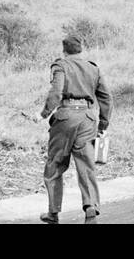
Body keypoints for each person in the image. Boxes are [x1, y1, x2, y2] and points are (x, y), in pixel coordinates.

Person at [39, 35, 112, 224]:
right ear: (81, 49)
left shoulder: (61, 65)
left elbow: (56, 92)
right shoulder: (93, 68)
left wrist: (44, 113)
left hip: (65, 117)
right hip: (88, 119)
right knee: (86, 166)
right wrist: (103, 124)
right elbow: (106, 98)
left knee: (54, 165)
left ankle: (53, 212)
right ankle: (91, 208)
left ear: (64, 50)